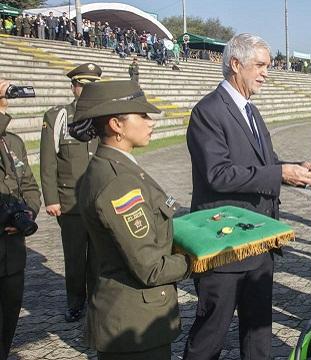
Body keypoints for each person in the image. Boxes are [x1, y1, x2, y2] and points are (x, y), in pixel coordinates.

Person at [182, 33, 311, 360]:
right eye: (259, 65)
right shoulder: (208, 111)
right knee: (210, 334)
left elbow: (266, 164)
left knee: (258, 333)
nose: (266, 73)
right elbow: (218, 174)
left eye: (267, 66)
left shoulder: (251, 111)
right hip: (224, 245)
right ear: (235, 64)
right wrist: (279, 173)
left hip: (258, 241)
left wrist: (296, 171)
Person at [68, 80, 191, 359]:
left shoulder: (112, 166)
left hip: (133, 319)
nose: (151, 122)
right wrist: (200, 259)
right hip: (135, 324)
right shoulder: (118, 181)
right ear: (116, 125)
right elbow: (151, 268)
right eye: (142, 115)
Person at [39, 63, 102, 323]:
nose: (85, 90)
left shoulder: (103, 115)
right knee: (75, 257)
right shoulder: (58, 116)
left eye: (91, 86)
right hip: (70, 202)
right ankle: (75, 302)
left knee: (99, 258)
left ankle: (98, 303)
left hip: (98, 201)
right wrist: (51, 198)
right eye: (80, 85)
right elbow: (48, 160)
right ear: (73, 87)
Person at [0, 79, 41, 359]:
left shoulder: (13, 142)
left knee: (9, 314)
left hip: (12, 252)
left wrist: (28, 212)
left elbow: (28, 185)